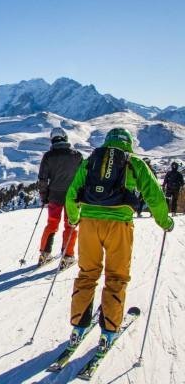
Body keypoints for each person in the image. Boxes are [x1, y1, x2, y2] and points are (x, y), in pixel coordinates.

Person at [65, 128, 173, 350]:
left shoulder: (91, 160)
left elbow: (72, 192)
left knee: (87, 274)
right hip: (119, 226)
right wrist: (165, 222)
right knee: (116, 276)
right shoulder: (134, 163)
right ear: (128, 143)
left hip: (88, 224)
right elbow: (155, 195)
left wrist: (74, 219)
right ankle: (109, 330)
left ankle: (78, 326)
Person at [37, 127, 83, 268]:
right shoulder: (77, 155)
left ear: (52, 139)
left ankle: (44, 254)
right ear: (65, 138)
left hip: (54, 196)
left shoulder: (48, 156)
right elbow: (83, 177)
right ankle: (67, 256)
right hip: (72, 197)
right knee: (70, 225)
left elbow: (43, 179)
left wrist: (44, 196)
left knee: (52, 224)